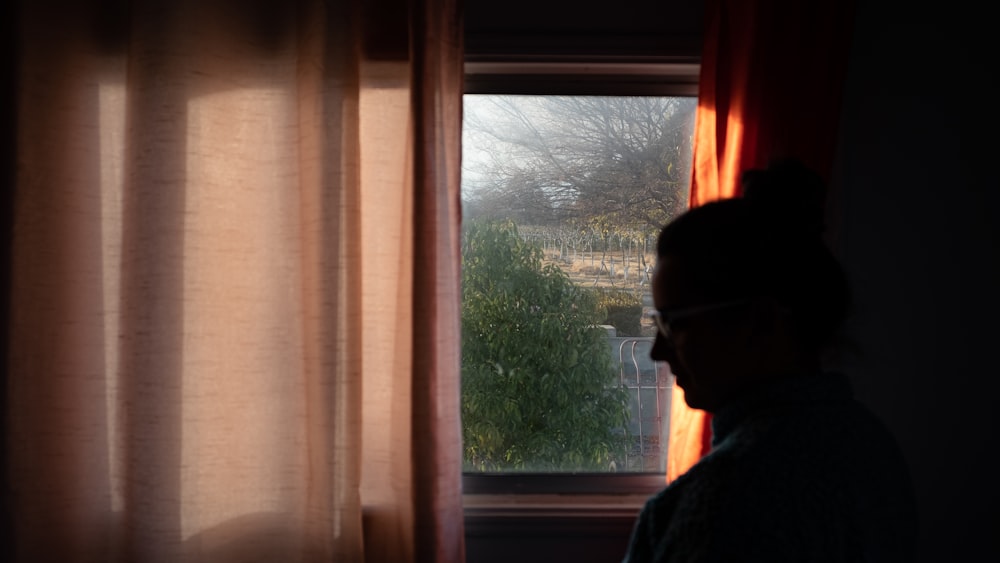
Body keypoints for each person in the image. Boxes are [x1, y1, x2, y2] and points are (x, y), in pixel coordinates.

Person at [622, 159, 918, 562]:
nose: (657, 351)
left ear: (759, 320)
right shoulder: (869, 443)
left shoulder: (725, 500)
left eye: (675, 324)